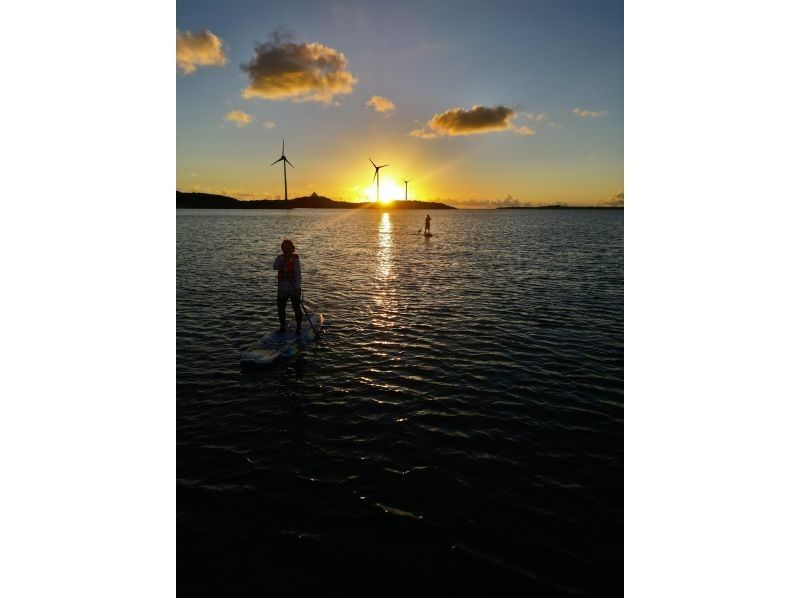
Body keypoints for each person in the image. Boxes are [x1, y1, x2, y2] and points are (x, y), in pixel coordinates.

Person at [272, 239, 303, 335]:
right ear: (282, 248)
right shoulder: (279, 258)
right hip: (282, 287)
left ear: (292, 248)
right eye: (284, 247)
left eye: (288, 247)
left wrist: (298, 288)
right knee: (281, 308)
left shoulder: (295, 259)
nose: (286, 249)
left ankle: (298, 327)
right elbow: (274, 266)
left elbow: (298, 274)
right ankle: (282, 326)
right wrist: (281, 267)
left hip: (293, 287)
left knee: (296, 307)